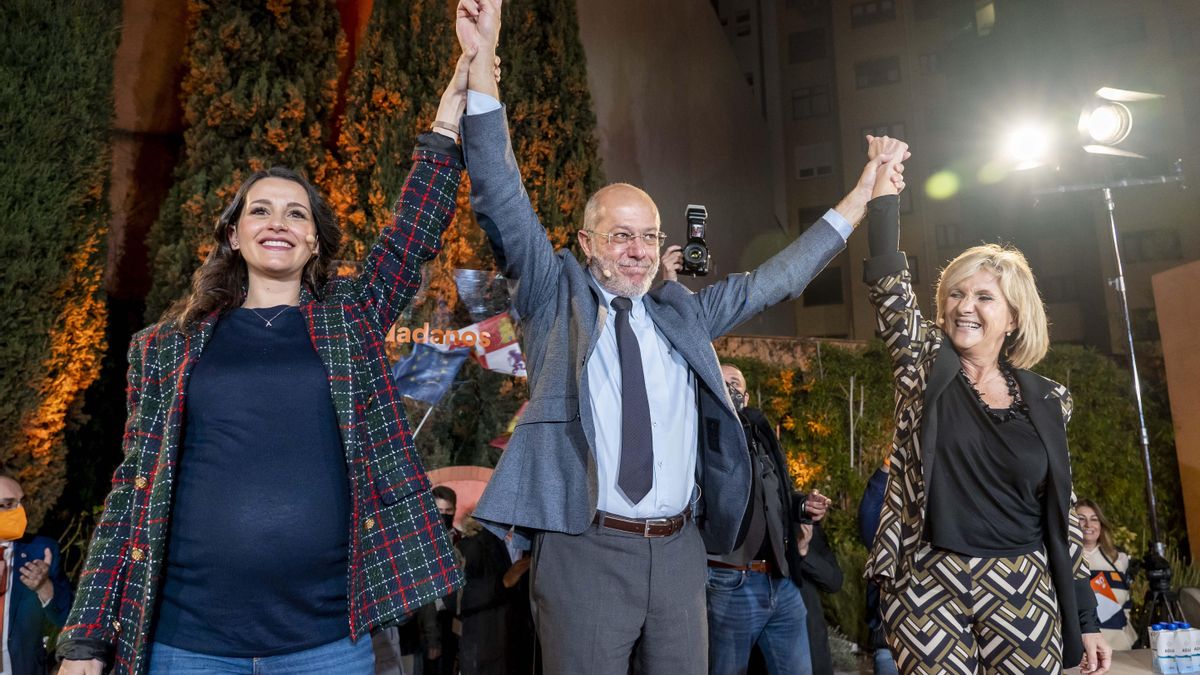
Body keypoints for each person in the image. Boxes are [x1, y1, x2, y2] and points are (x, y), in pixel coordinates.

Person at [453, 2, 905, 672]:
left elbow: (773, 280)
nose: (638, 250)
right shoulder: (557, 298)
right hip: (585, 548)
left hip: (680, 552)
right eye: (620, 234)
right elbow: (500, 192)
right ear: (587, 244)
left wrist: (858, 200)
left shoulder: (681, 313)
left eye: (650, 235)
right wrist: (482, 61)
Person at [55, 56, 474, 675]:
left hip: (329, 641)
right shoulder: (165, 348)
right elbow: (132, 495)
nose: (278, 222)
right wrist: (85, 641)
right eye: (260, 210)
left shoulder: (348, 322)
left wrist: (447, 118)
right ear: (233, 236)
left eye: (296, 213)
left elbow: (412, 235)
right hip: (186, 644)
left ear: (314, 242)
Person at [860, 135, 1112, 674]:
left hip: (1023, 584)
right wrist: (883, 194)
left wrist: (1085, 619)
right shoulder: (924, 365)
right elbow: (888, 285)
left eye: (982, 297)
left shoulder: (1048, 399)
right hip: (929, 581)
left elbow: (1060, 515)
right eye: (954, 293)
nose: (962, 307)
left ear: (1013, 317)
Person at [702, 363, 833, 675]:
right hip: (729, 581)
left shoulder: (761, 436)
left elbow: (780, 494)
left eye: (736, 383)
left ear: (746, 396)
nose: (730, 387)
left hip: (779, 580)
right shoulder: (701, 435)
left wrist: (804, 507)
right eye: (722, 381)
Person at [0, 475, 73, 675]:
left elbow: (68, 617)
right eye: (7, 505)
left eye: (22, 503)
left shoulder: (41, 552)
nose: (19, 512)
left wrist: (43, 586)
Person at [1077, 499, 1137, 650]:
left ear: (1101, 525)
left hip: (1121, 647)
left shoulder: (1118, 559)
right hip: (1082, 649)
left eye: (1094, 519)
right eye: (1081, 519)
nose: (1088, 525)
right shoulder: (1062, 560)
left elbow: (1126, 603)